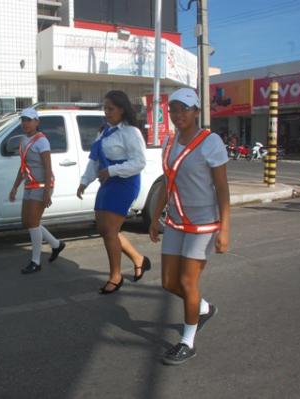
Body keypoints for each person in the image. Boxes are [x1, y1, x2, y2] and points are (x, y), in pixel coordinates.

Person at [148, 88, 230, 366]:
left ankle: (187, 341)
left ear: (196, 111)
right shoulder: (169, 143)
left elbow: (222, 188)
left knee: (187, 282)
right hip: (175, 221)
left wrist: (226, 229)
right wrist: (154, 218)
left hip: (204, 224)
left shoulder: (211, 142)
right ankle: (203, 308)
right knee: (168, 282)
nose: (178, 114)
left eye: (184, 108)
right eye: (173, 109)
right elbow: (166, 184)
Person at [76, 90, 151, 294]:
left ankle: (116, 276)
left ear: (122, 109)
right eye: (105, 108)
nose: (106, 112)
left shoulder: (130, 132)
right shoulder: (104, 131)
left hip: (125, 182)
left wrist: (112, 170)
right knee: (105, 230)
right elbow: (95, 161)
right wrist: (84, 182)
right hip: (107, 181)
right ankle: (138, 259)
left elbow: (139, 162)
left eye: (111, 108)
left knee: (109, 231)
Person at [9, 108, 66, 274]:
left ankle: (36, 261)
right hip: (30, 185)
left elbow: (48, 168)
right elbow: (23, 168)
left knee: (33, 223)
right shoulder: (24, 140)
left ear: (36, 122)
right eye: (23, 120)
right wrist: (14, 187)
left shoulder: (42, 141)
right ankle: (56, 244)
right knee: (27, 222)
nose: (25, 123)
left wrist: (47, 191)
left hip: (42, 186)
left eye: (29, 120)